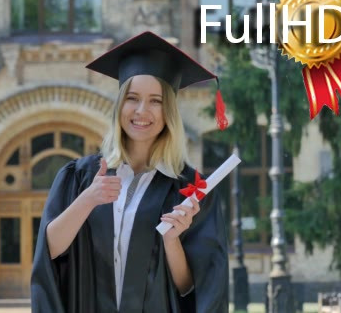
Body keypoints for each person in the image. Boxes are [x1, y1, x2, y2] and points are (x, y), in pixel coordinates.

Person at [31, 31, 229, 313]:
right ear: (120, 104)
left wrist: (171, 241)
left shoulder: (191, 191)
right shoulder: (81, 176)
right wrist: (88, 199)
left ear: (169, 110)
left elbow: (191, 289)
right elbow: (48, 254)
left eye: (156, 101)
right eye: (132, 98)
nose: (141, 110)